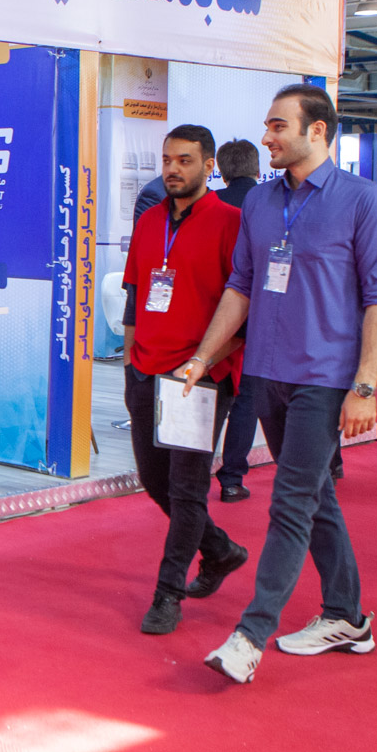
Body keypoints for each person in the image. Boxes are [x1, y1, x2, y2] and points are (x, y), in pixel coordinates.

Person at [185, 85, 377, 685]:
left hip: (325, 379)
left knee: (292, 500)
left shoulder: (364, 201)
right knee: (316, 496)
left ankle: (249, 637)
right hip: (266, 373)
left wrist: (365, 385)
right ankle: (347, 617)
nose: (267, 137)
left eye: (279, 126)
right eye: (268, 125)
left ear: (317, 130)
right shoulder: (260, 201)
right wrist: (203, 356)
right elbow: (242, 285)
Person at [120, 126, 250, 636]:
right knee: (155, 482)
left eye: (185, 160)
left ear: (210, 166)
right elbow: (136, 294)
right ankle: (220, 550)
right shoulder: (149, 221)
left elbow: (245, 307)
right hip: (146, 369)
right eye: (167, 160)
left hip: (200, 376)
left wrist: (210, 360)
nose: (173, 169)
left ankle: (168, 593)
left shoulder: (232, 223)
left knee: (187, 488)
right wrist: (130, 362)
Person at [213, 141, 260, 503]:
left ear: (220, 170)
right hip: (255, 317)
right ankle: (231, 479)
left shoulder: (208, 205)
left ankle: (192, 473)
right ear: (258, 169)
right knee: (246, 399)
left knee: (207, 395)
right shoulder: (269, 205)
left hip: (211, 316)